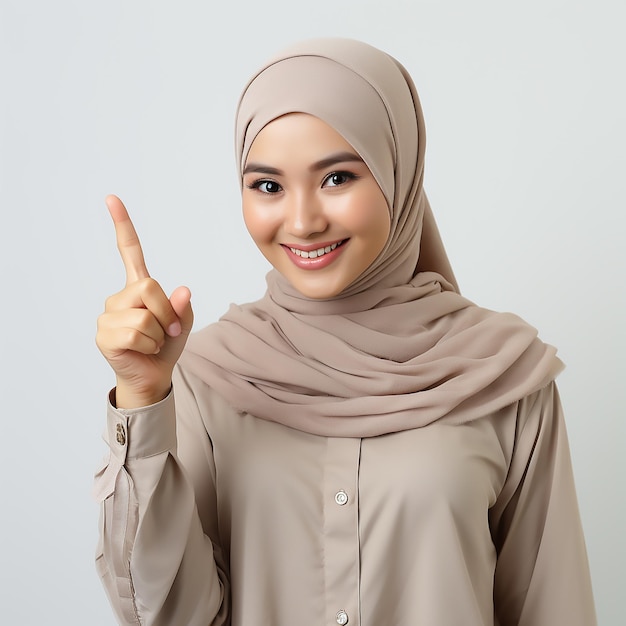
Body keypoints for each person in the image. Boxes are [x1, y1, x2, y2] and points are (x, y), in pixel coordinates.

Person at [94, 38, 596, 625]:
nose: (303, 221)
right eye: (268, 186)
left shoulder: (501, 378)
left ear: (397, 172)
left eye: (337, 177)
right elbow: (168, 614)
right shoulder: (207, 379)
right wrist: (142, 398)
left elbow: (551, 608)